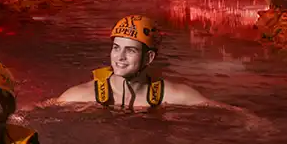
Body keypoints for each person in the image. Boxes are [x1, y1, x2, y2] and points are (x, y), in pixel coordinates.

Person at [57, 15, 209, 109]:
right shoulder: (80, 96)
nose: (120, 57)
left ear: (149, 58)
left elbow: (227, 112)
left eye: (130, 50)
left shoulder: (174, 96)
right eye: (116, 48)